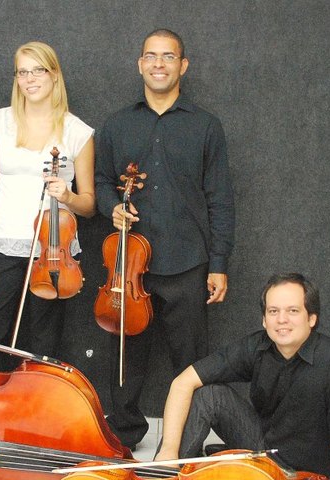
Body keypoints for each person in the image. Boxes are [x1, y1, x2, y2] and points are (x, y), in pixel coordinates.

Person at [94, 28, 235, 449]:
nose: (159, 64)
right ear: (140, 64)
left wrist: (219, 264)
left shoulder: (206, 127)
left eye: (168, 57)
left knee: (189, 361)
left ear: (182, 65)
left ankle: (185, 444)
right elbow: (101, 182)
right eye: (151, 56)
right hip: (128, 263)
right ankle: (124, 435)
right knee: (126, 358)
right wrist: (112, 207)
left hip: (186, 261)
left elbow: (220, 200)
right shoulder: (117, 125)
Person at [155, 273, 330, 479]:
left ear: (312, 318)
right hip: (264, 449)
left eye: (293, 311)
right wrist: (168, 453)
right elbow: (183, 382)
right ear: (264, 320)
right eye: (273, 311)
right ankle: (166, 476)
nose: (282, 320)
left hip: (303, 473)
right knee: (209, 394)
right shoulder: (257, 347)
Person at [0, 41, 95, 371]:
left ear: (54, 75)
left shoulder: (78, 132)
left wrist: (67, 196)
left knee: (43, 347)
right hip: (2, 244)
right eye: (23, 72)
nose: (30, 78)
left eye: (38, 70)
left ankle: (32, 419)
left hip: (53, 251)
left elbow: (90, 205)